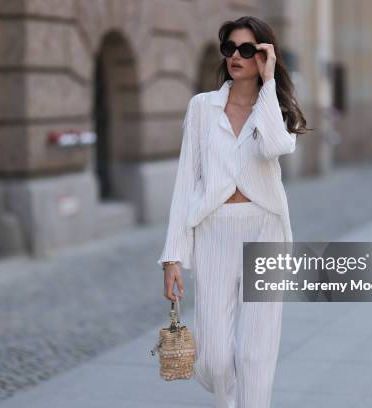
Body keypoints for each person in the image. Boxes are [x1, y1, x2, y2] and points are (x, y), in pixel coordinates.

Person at [157, 15, 310, 408]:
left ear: (263, 55)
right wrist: (172, 255)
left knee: (255, 354)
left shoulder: (274, 107)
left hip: (265, 230)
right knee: (215, 358)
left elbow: (276, 147)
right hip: (214, 230)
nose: (236, 56)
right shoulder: (202, 108)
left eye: (248, 49)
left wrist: (270, 83)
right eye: (230, 48)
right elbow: (185, 181)